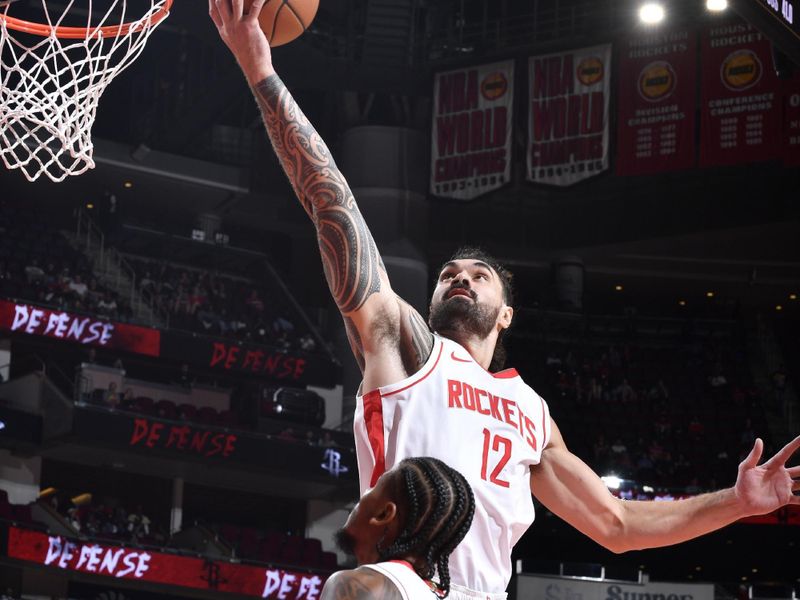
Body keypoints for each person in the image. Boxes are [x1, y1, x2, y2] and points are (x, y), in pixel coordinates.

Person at [210, 2, 800, 595]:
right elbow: (330, 201)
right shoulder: (408, 347)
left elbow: (618, 525)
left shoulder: (531, 413)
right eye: (448, 273)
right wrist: (261, 72)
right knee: (355, 586)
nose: (460, 279)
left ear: (507, 313)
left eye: (479, 274)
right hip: (408, 581)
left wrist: (737, 502)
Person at [325, 456, 475, 600]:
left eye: (374, 486)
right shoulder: (434, 593)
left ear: (384, 514)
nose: (364, 492)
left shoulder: (358, 584)